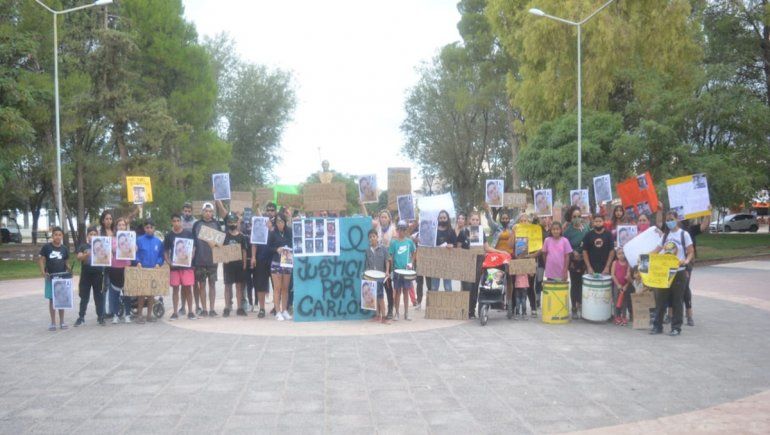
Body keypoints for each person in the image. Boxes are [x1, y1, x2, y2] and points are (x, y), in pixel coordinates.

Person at [650, 211, 694, 337]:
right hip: (665, 272)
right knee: (660, 300)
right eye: (667, 220)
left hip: (679, 272)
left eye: (671, 219)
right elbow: (656, 251)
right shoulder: (665, 236)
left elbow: (690, 251)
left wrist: (685, 261)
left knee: (677, 300)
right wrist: (645, 257)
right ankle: (657, 326)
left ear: (676, 219)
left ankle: (676, 327)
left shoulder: (684, 235)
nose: (669, 221)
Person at [456, 211, 498, 318]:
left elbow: (487, 248)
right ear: (469, 221)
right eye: (473, 219)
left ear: (479, 221)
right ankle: (464, 310)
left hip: (478, 263)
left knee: (475, 288)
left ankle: (471, 311)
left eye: (477, 220)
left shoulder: (481, 232)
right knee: (467, 288)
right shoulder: (463, 232)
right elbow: (458, 248)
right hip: (466, 264)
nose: (475, 221)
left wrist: (501, 252)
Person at [192, 202, 224, 317]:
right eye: (206, 211)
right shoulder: (197, 225)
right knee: (201, 285)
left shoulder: (217, 224)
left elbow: (220, 243)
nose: (208, 213)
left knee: (212, 285)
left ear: (213, 213)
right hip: (199, 260)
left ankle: (212, 309)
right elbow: (193, 243)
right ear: (202, 212)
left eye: (210, 211)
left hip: (212, 260)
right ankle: (204, 309)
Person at [679, 215, 710, 326]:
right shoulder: (670, 231)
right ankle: (671, 314)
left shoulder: (690, 229)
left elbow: (703, 226)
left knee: (685, 286)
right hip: (674, 261)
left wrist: (707, 213)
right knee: (672, 287)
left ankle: (689, 314)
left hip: (687, 261)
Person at [38, 227, 71, 331]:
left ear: (62, 236)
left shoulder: (64, 248)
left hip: (61, 277)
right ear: (52, 236)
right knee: (52, 300)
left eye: (59, 234)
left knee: (61, 300)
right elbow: (41, 260)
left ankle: (62, 321)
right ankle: (53, 322)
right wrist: (43, 272)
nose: (57, 236)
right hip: (50, 277)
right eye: (55, 234)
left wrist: (69, 269)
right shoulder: (46, 247)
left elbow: (66, 262)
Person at [164, 213, 196, 320]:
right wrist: (169, 262)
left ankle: (190, 311)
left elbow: (194, 247)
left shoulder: (188, 234)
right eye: (174, 221)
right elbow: (165, 251)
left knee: (188, 288)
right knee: (175, 290)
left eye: (178, 220)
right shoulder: (169, 236)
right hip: (175, 267)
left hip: (187, 267)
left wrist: (191, 257)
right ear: (171, 222)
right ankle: (175, 312)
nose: (176, 223)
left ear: (181, 222)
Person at [134, 219, 164, 324]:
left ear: (154, 228)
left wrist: (158, 263)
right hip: (142, 269)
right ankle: (139, 315)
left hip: (153, 270)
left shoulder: (158, 242)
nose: (149, 229)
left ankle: (149, 315)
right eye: (147, 227)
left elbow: (161, 256)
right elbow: (135, 253)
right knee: (141, 294)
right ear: (144, 228)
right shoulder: (139, 240)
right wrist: (137, 262)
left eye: (151, 227)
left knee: (151, 294)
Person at [74, 227, 104, 327]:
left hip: (98, 274)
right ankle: (81, 317)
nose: (93, 236)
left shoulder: (102, 245)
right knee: (84, 297)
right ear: (87, 236)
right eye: (91, 234)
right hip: (86, 274)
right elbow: (78, 257)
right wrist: (86, 255)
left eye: (95, 234)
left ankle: (100, 317)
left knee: (98, 297)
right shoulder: (83, 246)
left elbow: (106, 257)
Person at [563, 206, 590, 319]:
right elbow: (565, 244)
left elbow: (589, 241)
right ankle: (574, 306)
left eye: (579, 216)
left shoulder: (586, 228)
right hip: (573, 261)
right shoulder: (567, 231)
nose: (577, 218)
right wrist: (573, 252)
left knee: (584, 283)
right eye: (574, 216)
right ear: (570, 217)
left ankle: (581, 305)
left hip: (585, 260)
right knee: (575, 283)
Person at [389, 221, 416, 321]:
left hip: (406, 271)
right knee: (397, 292)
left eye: (403, 229)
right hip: (397, 271)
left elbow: (414, 252)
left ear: (406, 230)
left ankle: (406, 313)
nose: (401, 231)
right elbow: (390, 256)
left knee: (406, 291)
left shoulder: (409, 242)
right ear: (397, 230)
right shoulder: (393, 242)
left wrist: (411, 262)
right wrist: (390, 269)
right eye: (399, 229)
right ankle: (397, 313)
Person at [107, 217, 132, 324]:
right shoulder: (112, 239)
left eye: (123, 225)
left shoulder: (131, 238)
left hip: (126, 268)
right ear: (116, 227)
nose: (121, 226)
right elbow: (109, 250)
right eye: (119, 225)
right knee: (114, 294)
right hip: (114, 268)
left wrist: (133, 247)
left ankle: (127, 315)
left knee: (127, 293)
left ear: (126, 227)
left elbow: (134, 249)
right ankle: (115, 315)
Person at [222, 213, 248, 317]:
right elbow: (220, 250)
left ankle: (240, 308)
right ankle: (227, 307)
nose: (232, 224)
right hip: (228, 265)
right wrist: (224, 259)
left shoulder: (242, 236)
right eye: (230, 222)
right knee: (228, 286)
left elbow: (244, 251)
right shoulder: (224, 236)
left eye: (234, 222)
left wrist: (245, 263)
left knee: (239, 286)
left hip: (239, 265)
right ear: (227, 223)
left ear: (237, 223)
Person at [268, 214, 293, 320]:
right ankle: (277, 311)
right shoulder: (273, 233)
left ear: (285, 222)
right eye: (278, 222)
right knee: (277, 288)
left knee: (285, 288)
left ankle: (285, 310)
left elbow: (294, 244)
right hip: (276, 263)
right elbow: (268, 247)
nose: (280, 224)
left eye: (281, 222)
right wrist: (276, 249)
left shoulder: (289, 232)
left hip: (287, 262)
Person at [365, 229, 389, 323]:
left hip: (380, 277)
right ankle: (377, 315)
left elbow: (387, 260)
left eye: (373, 236)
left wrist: (387, 271)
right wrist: (366, 274)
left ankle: (384, 317)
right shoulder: (368, 251)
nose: (372, 238)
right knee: (373, 297)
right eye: (370, 237)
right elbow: (366, 264)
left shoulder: (383, 248)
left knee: (380, 297)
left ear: (377, 237)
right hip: (371, 277)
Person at [430, 210, 457, 291]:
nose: (442, 219)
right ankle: (434, 304)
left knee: (448, 287)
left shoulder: (451, 231)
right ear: (438, 219)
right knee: (434, 287)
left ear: (447, 218)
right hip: (435, 262)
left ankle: (448, 304)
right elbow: (429, 244)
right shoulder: (433, 230)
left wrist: (452, 245)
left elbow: (455, 245)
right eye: (441, 218)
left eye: (444, 218)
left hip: (447, 262)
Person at [611, 248, 631, 326]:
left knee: (624, 302)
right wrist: (618, 285)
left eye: (623, 253)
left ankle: (624, 317)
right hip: (617, 285)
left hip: (625, 286)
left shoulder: (628, 263)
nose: (621, 255)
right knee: (616, 301)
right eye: (619, 253)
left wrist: (626, 285)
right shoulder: (615, 263)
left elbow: (629, 276)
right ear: (616, 255)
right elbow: (613, 275)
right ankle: (617, 316)